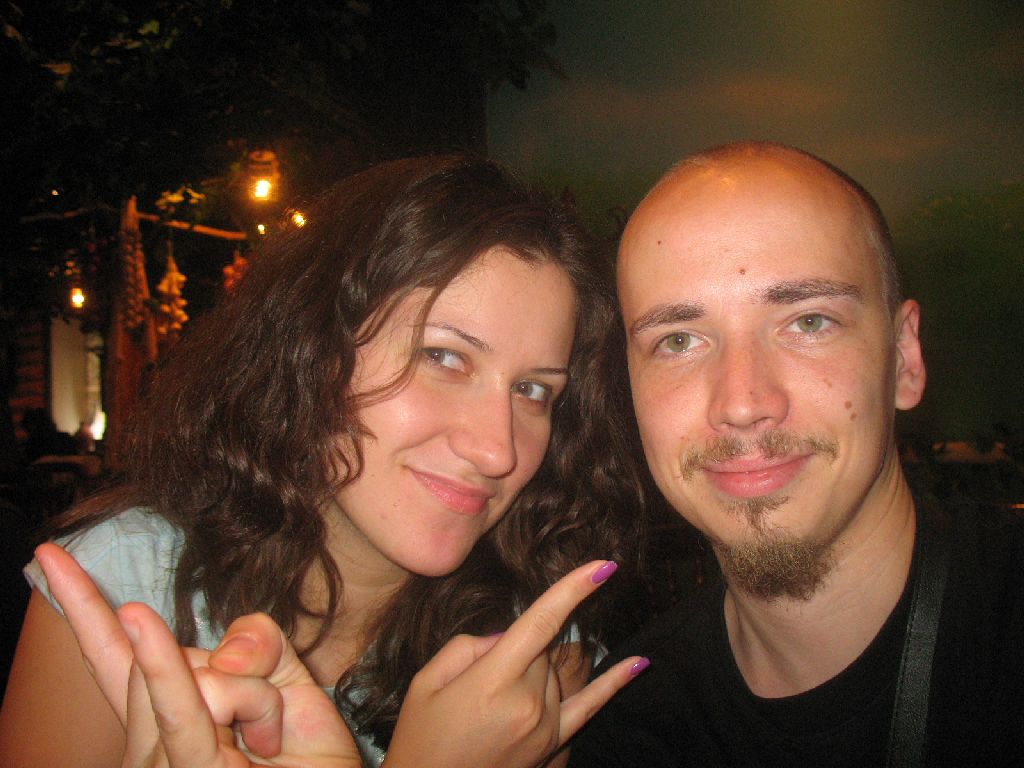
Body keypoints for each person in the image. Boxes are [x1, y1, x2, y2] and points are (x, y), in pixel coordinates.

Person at [0, 155, 649, 767]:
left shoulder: (527, 653)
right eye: (444, 357)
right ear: (310, 351)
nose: (497, 450)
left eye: (532, 390)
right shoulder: (123, 589)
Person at [568, 141, 1024, 766]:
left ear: (904, 357)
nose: (742, 403)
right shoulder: (626, 728)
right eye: (678, 341)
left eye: (809, 322)